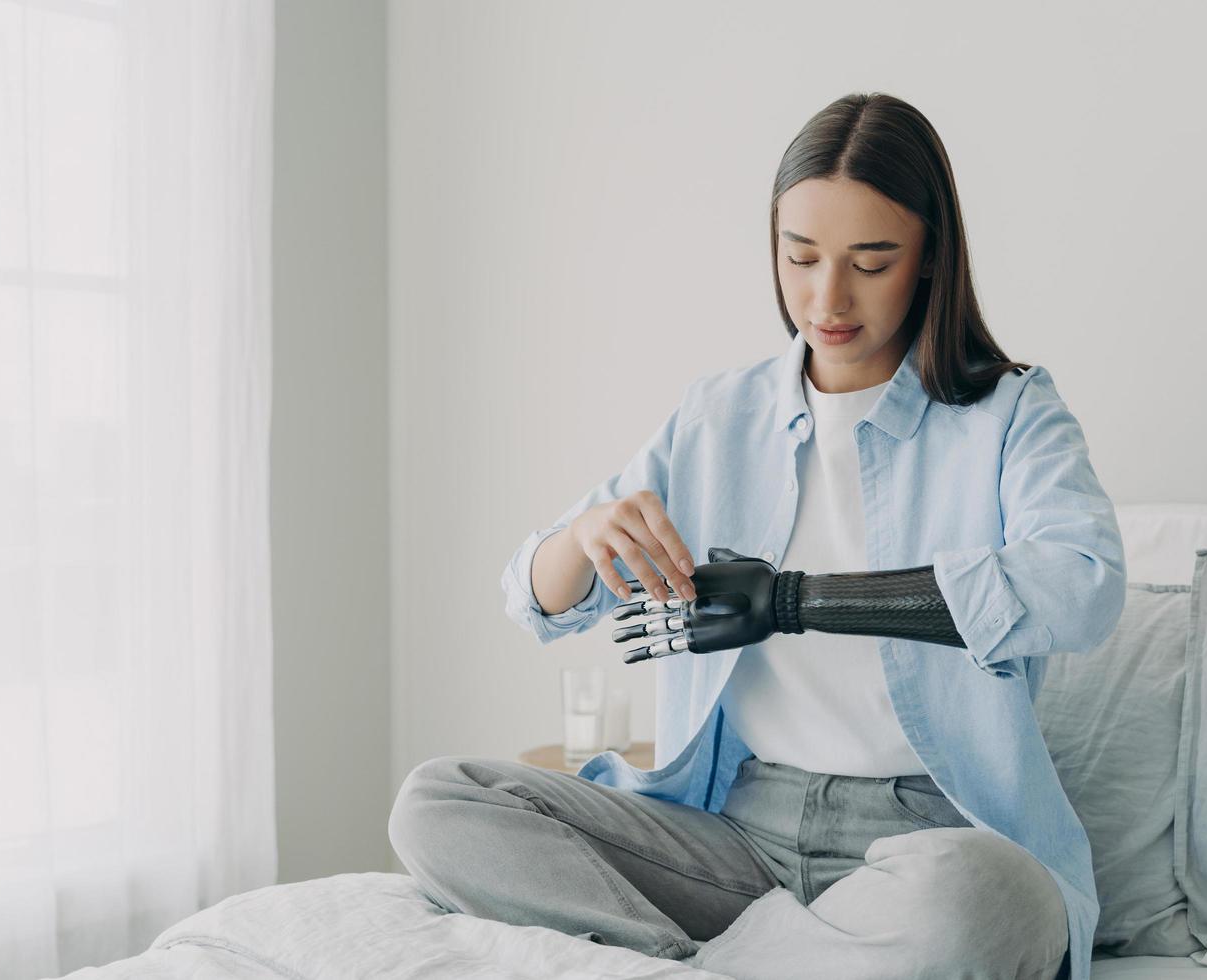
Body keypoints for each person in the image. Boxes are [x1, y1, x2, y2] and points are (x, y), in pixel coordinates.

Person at [388, 91, 1126, 980]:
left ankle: (734, 961)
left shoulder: (1009, 415)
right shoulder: (717, 417)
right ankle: (710, 961)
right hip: (734, 841)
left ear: (930, 258)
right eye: (801, 256)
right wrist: (586, 535)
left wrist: (794, 602)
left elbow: (1080, 587)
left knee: (988, 896)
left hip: (930, 840)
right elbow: (533, 601)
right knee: (438, 802)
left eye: (871, 260)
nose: (827, 297)